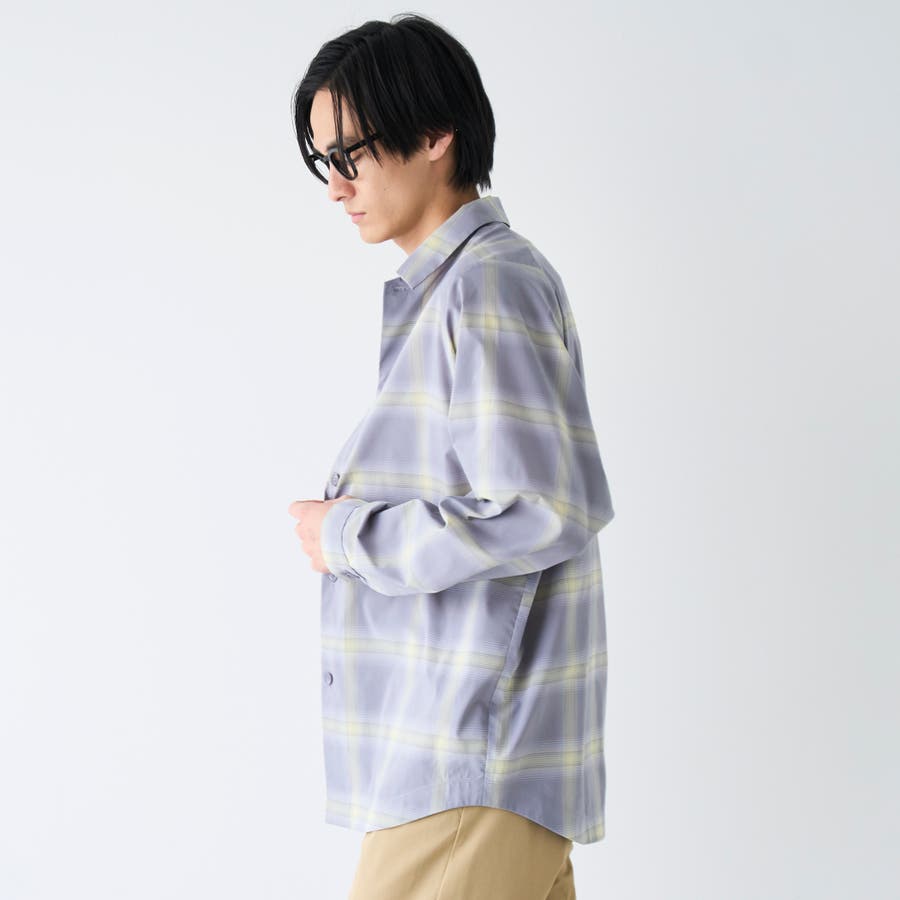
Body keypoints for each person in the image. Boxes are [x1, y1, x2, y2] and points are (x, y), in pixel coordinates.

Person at [286, 13, 614, 900]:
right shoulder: (457, 289)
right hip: (466, 763)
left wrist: (346, 536)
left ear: (437, 136)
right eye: (323, 161)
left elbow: (542, 508)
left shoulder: (488, 283)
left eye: (351, 154)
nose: (336, 186)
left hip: (465, 761)